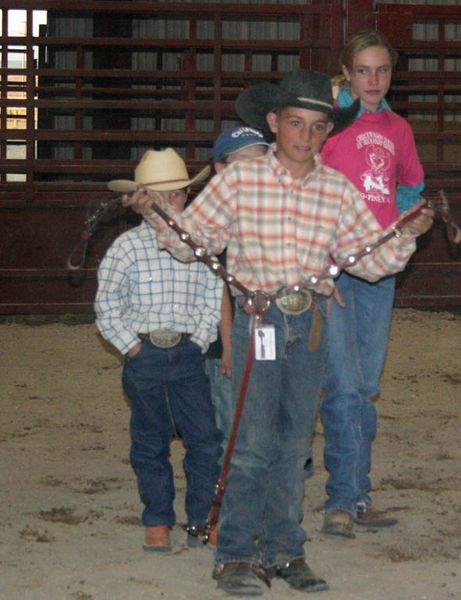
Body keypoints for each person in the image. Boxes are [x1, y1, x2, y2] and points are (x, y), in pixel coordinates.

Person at [123, 68, 433, 596]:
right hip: (258, 322)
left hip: (310, 324)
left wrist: (407, 234)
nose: (305, 137)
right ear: (273, 122)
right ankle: (236, 554)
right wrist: (158, 215)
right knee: (251, 443)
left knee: (294, 444)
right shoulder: (240, 181)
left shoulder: (336, 189)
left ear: (327, 132)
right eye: (295, 123)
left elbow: (372, 260)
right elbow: (193, 239)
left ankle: (286, 549)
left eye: (317, 127)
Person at [319, 30, 426, 538]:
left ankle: (357, 493)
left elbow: (410, 184)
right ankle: (341, 497)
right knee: (342, 383)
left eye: (382, 70)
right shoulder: (328, 121)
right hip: (332, 268)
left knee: (365, 385)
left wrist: (407, 219)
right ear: (347, 71)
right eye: (363, 70)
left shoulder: (398, 129)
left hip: (378, 269)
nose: (373, 80)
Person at [95, 148, 223, 553]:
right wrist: (132, 347)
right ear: (142, 198)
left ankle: (203, 517)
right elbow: (107, 304)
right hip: (145, 352)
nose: (171, 204)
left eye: (178, 194)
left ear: (188, 196)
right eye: (160, 195)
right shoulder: (125, 248)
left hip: (186, 353)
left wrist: (200, 340)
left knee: (204, 438)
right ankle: (158, 519)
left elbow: (211, 293)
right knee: (150, 438)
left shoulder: (199, 245)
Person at [204, 127, 270, 448]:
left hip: (265, 334)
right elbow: (216, 288)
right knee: (232, 424)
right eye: (242, 162)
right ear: (221, 169)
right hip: (225, 345)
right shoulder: (211, 222)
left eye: (261, 161)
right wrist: (229, 345)